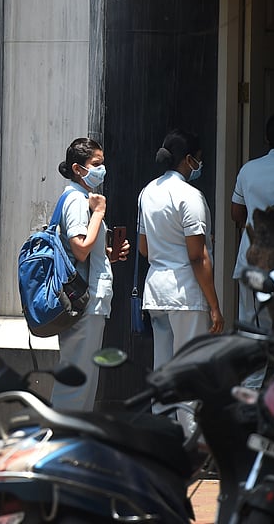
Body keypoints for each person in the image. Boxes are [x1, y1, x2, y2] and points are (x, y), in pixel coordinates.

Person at [138, 129, 223, 430]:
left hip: (157, 291)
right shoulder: (190, 196)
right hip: (186, 293)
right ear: (189, 160)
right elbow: (197, 256)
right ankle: (192, 442)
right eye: (198, 160)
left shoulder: (148, 192)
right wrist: (214, 305)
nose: (200, 165)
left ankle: (163, 437)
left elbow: (144, 247)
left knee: (164, 368)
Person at [53, 138, 129, 412]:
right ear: (77, 168)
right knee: (76, 382)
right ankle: (60, 445)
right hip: (84, 301)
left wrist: (108, 254)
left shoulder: (80, 198)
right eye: (96, 164)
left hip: (89, 299)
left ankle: (72, 445)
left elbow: (84, 253)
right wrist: (99, 212)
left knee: (83, 380)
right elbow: (80, 248)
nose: (102, 170)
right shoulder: (77, 200)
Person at [231, 114, 274, 389]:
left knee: (252, 325)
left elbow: (236, 213)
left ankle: (251, 388)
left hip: (252, 257)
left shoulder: (248, 170)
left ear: (267, 139)